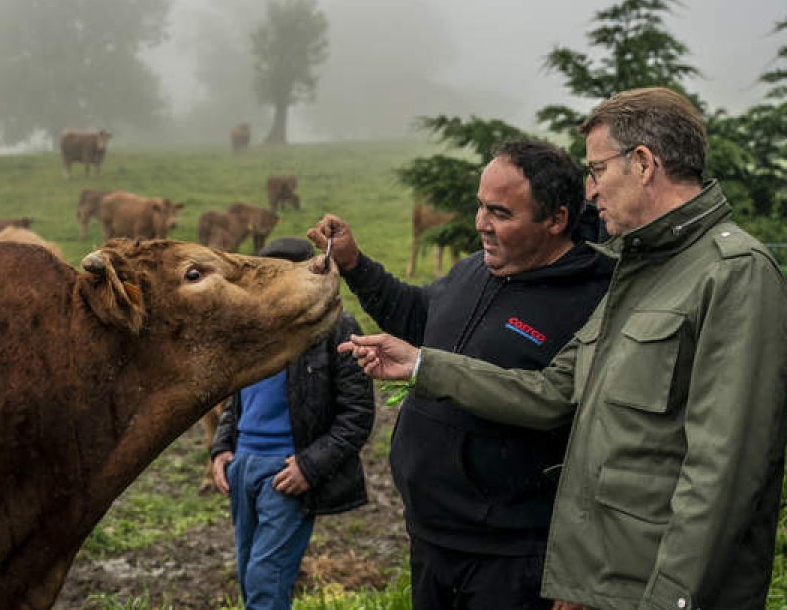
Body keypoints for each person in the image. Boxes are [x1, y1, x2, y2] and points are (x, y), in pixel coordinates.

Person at [341, 87, 787, 610]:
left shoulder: (733, 273)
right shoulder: (643, 270)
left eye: (597, 171)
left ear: (643, 163)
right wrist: (420, 364)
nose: (590, 193)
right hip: (602, 583)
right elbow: (552, 391)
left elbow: (723, 474)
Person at [306, 138, 614, 610]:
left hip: (513, 558)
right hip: (432, 538)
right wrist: (353, 263)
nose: (480, 224)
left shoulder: (594, 301)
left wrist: (579, 576)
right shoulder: (477, 269)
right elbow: (418, 315)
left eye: (500, 213)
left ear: (556, 221)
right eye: (479, 206)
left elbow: (587, 431)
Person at [210, 236, 375, 610]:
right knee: (249, 576)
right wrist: (222, 448)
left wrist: (309, 466)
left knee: (266, 581)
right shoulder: (250, 331)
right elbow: (236, 400)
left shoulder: (338, 329)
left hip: (287, 473)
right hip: (243, 469)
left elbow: (358, 414)